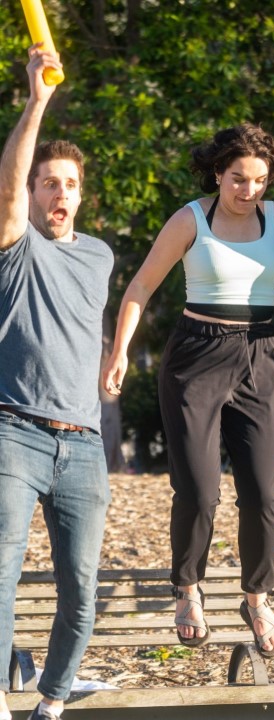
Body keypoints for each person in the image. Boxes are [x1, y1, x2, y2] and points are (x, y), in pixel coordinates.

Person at [103, 123, 274, 657]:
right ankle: (188, 588)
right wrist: (120, 351)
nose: (249, 190)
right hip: (197, 355)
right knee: (199, 490)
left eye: (259, 180)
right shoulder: (191, 218)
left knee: (262, 492)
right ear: (218, 173)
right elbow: (141, 285)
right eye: (238, 178)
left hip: (259, 354)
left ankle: (257, 598)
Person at [0, 46, 113, 720]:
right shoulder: (16, 247)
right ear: (32, 191)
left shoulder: (99, 255)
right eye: (48, 182)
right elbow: (7, 194)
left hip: (85, 444)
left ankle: (53, 700)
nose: (59, 193)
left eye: (69, 183)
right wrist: (37, 100)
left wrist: (119, 352)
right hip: (13, 430)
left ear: (81, 194)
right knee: (0, 572)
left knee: (82, 588)